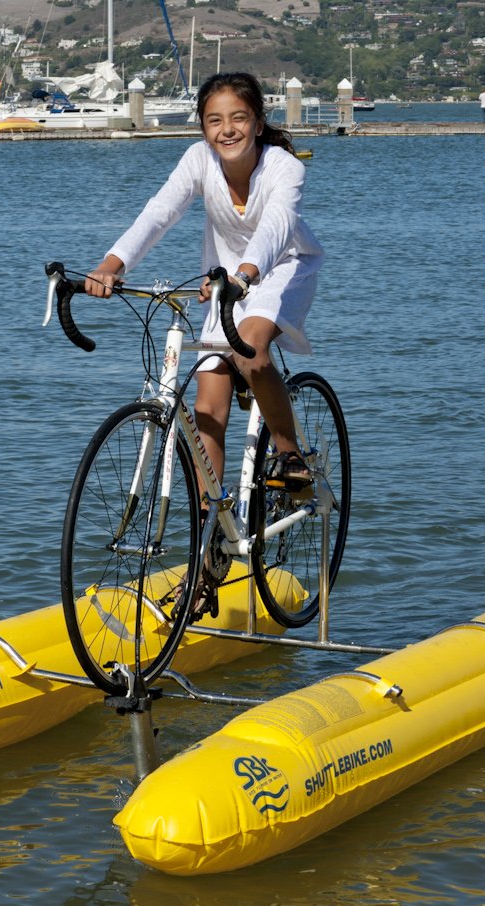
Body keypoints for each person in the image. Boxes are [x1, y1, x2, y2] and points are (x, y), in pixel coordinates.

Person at [85, 71, 324, 614]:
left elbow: (279, 226)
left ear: (258, 123)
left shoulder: (283, 167)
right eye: (214, 120)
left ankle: (290, 455)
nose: (227, 129)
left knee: (253, 350)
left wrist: (246, 270)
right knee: (205, 407)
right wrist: (112, 264)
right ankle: (211, 544)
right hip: (224, 282)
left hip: (281, 269)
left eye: (239, 118)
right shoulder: (197, 161)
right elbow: (159, 212)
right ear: (202, 126)